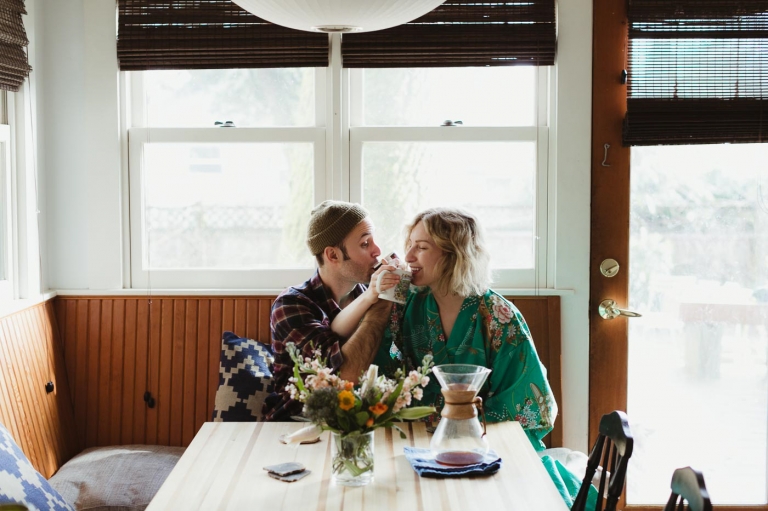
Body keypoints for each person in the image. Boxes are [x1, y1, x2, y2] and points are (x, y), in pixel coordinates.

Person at [263, 200, 400, 422]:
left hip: (364, 420)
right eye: (365, 243)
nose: (377, 251)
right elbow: (344, 376)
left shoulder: (369, 293)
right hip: (299, 425)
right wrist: (383, 300)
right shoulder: (291, 305)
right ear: (333, 255)